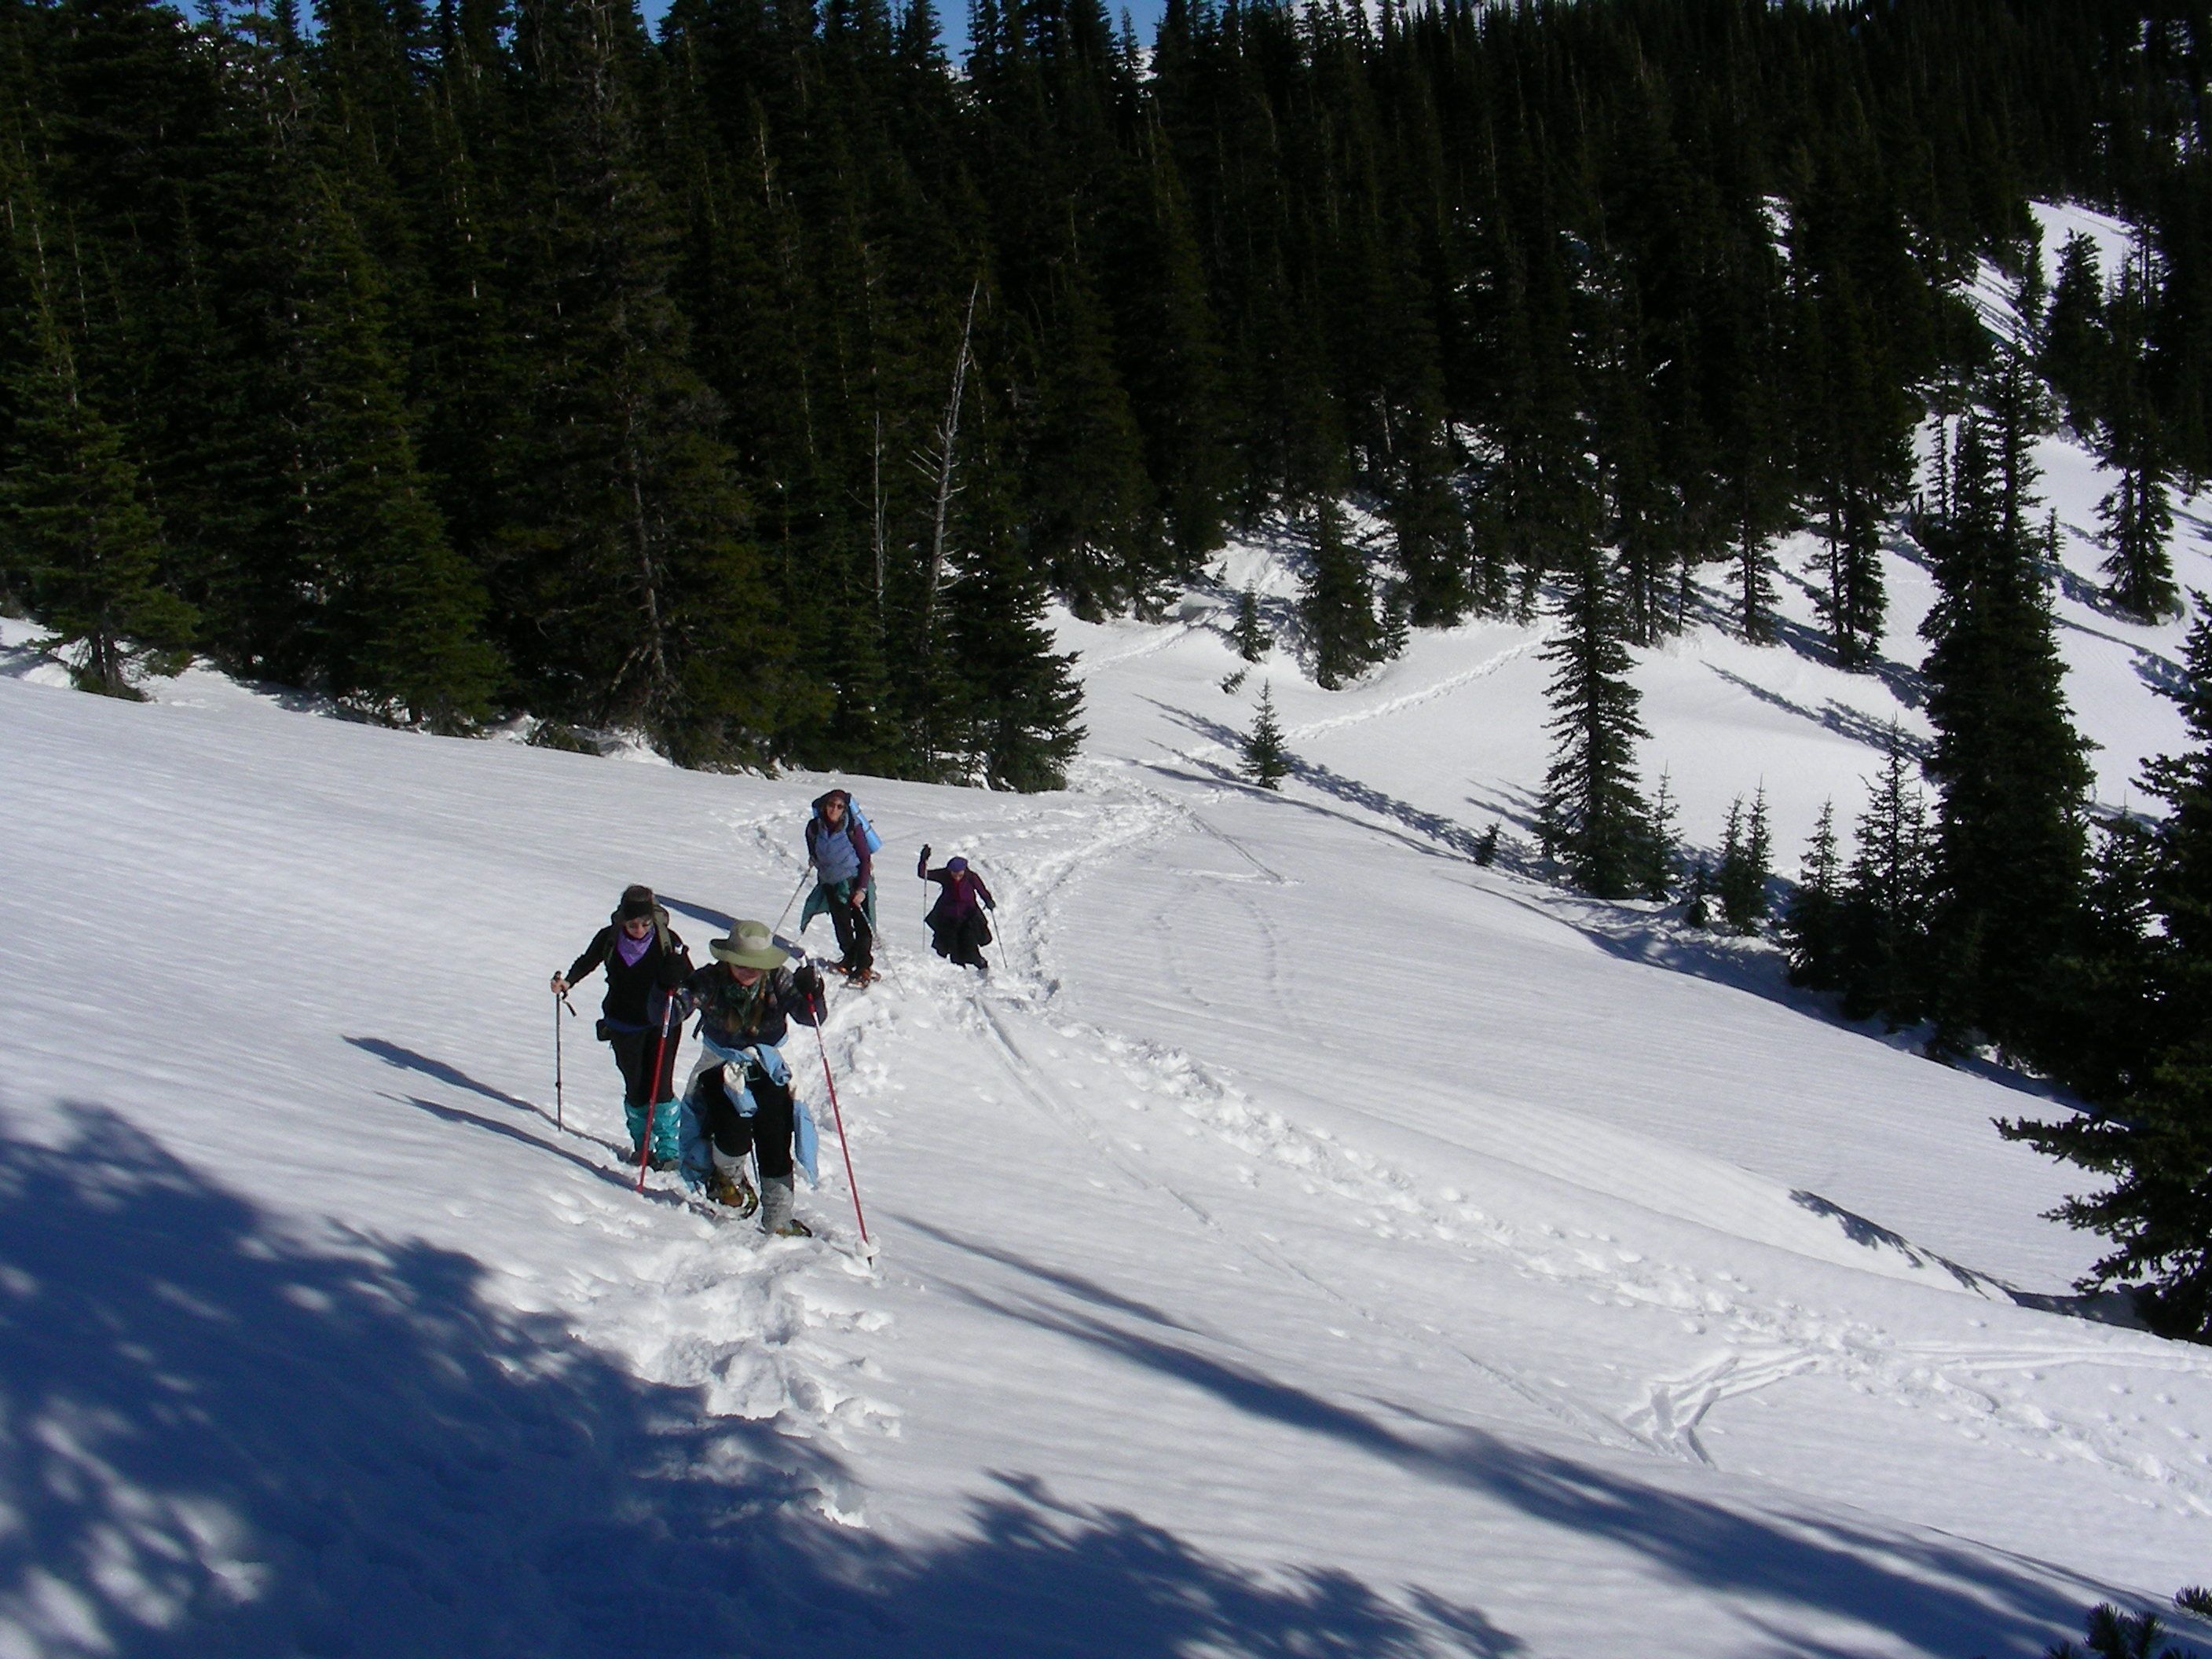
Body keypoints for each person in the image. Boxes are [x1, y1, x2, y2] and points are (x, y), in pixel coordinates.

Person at [674, 919, 826, 1235]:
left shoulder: (778, 980)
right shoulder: (709, 980)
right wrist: (670, 990)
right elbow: (673, 1011)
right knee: (733, 1131)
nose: (749, 970)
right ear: (729, 958)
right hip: (720, 1063)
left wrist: (813, 994)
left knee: (775, 1135)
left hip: (769, 1064)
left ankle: (778, 1218)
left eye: (755, 964)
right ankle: (726, 1179)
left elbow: (810, 1017)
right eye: (742, 963)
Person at [551, 884, 691, 1169]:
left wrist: (677, 974)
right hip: (623, 1023)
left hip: (661, 1022)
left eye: (644, 923)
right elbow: (587, 961)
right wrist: (567, 982)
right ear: (622, 920)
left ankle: (667, 1147)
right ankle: (643, 1144)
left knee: (660, 1085)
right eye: (632, 923)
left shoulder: (668, 940)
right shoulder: (610, 938)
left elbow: (690, 978)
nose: (639, 929)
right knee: (636, 1086)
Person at [800, 788, 877, 986]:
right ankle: (849, 959)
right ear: (824, 806)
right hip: (830, 883)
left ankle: (864, 967)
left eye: (840, 806)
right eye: (831, 805)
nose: (834, 809)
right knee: (841, 924)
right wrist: (813, 860)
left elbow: (865, 858)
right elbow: (813, 850)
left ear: (845, 810)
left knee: (862, 925)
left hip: (854, 881)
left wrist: (862, 889)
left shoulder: (853, 827)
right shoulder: (814, 827)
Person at [918, 844, 996, 972]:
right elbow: (923, 874)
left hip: (969, 916)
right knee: (952, 945)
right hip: (948, 916)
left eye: (960, 874)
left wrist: (988, 900)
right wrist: (923, 860)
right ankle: (958, 971)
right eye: (954, 874)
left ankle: (980, 964)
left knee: (969, 942)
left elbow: (982, 890)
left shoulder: (971, 877)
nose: (957, 877)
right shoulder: (944, 875)